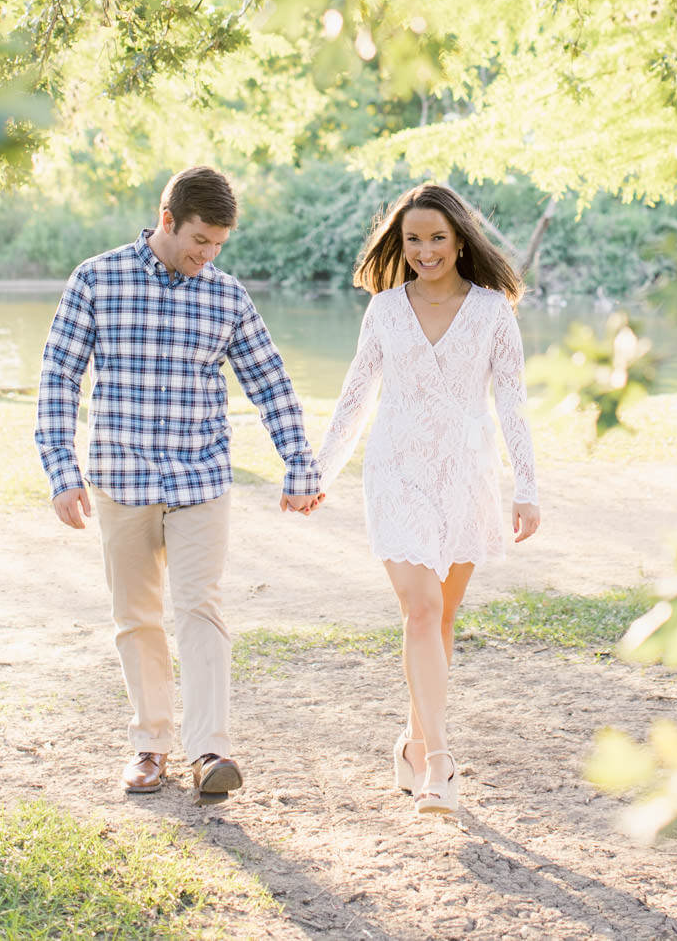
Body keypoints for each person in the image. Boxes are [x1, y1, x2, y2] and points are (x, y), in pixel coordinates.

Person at [34, 165, 323, 805]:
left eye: (219, 245)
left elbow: (270, 382)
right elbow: (59, 378)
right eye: (200, 240)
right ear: (167, 220)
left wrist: (298, 463)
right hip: (120, 478)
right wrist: (62, 470)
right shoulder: (96, 280)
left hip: (201, 477)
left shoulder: (226, 295)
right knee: (136, 617)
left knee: (201, 609)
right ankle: (150, 745)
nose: (208, 255)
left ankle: (210, 749)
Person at [317, 183, 540, 819]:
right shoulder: (384, 310)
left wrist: (526, 487)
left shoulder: (494, 311)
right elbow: (356, 395)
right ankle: (441, 762)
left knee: (440, 619)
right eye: (413, 239)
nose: (424, 250)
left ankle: (413, 746)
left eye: (436, 237)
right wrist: (320, 471)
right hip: (396, 472)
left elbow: (513, 402)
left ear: (460, 239)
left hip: (466, 475)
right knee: (420, 611)